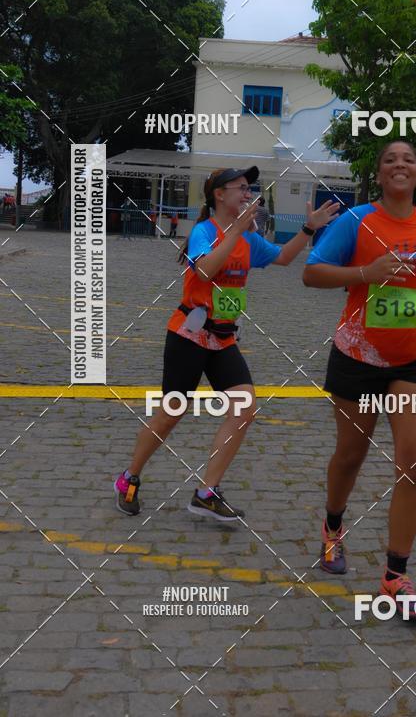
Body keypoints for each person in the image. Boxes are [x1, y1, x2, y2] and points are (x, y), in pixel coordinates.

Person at [114, 167, 339, 519]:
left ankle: (206, 492)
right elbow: (204, 270)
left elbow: (282, 257)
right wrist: (235, 231)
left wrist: (309, 228)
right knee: (171, 413)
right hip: (188, 335)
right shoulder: (204, 231)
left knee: (245, 406)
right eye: (241, 189)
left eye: (250, 189)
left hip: (222, 339)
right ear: (219, 194)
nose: (248, 195)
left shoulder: (248, 239)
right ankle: (129, 477)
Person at [303, 140, 416, 620]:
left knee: (415, 464)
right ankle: (333, 527)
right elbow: (312, 273)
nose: (399, 165)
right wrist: (364, 272)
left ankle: (396, 577)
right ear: (379, 175)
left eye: (408, 160)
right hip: (358, 354)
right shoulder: (357, 220)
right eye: (390, 159)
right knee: (350, 457)